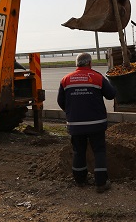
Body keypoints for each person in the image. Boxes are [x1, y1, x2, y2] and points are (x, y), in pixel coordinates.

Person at [57, 52, 117, 193]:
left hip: (76, 125)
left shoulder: (66, 79)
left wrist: (71, 113)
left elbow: (61, 101)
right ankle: (101, 183)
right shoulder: (96, 77)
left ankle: (80, 180)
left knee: (78, 151)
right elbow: (111, 95)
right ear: (90, 63)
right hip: (96, 123)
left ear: (76, 64)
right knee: (99, 151)